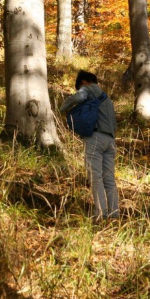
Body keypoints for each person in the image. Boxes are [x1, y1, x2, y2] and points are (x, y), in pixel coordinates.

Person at [60, 70, 119, 220]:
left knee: (96, 177)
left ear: (84, 82)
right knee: (109, 179)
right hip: (110, 141)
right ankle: (114, 213)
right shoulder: (107, 99)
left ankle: (100, 213)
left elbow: (79, 96)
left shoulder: (87, 89)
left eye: (79, 86)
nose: (80, 89)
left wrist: (62, 108)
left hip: (95, 137)